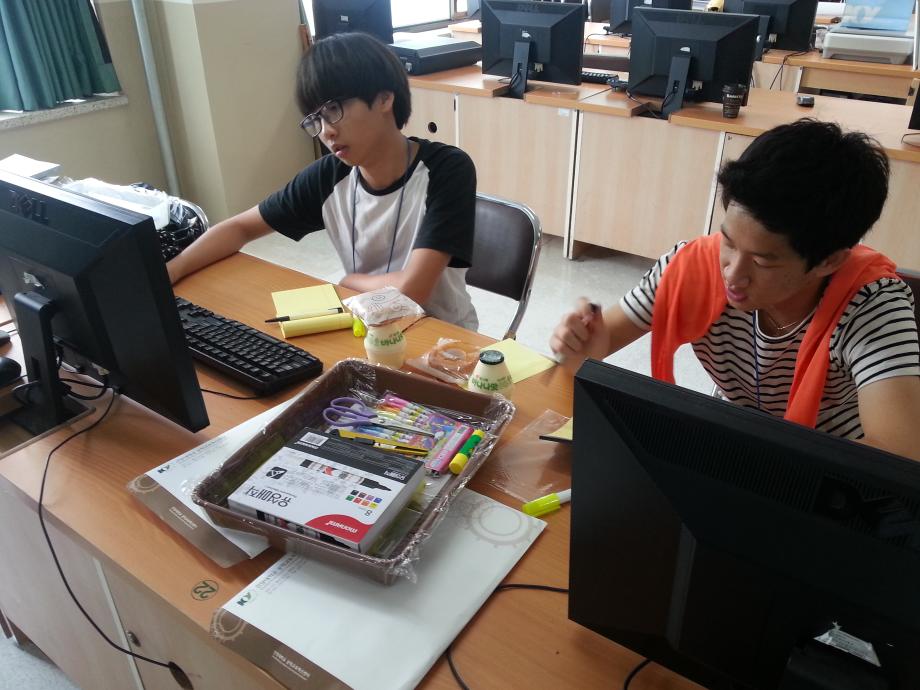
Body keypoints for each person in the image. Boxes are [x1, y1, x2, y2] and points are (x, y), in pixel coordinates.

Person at [550, 119, 920, 460]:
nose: (732, 274)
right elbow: (600, 342)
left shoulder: (872, 305)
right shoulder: (692, 268)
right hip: (735, 444)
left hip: (832, 470)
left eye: (762, 261)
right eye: (727, 241)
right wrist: (582, 345)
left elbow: (899, 454)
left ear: (828, 261)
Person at [166, 32, 479, 330]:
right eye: (315, 119)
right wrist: (172, 270)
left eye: (333, 109)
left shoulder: (447, 169)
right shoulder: (329, 176)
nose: (327, 131)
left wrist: (350, 281)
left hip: (442, 337)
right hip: (365, 327)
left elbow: (411, 291)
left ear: (384, 98)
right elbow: (240, 228)